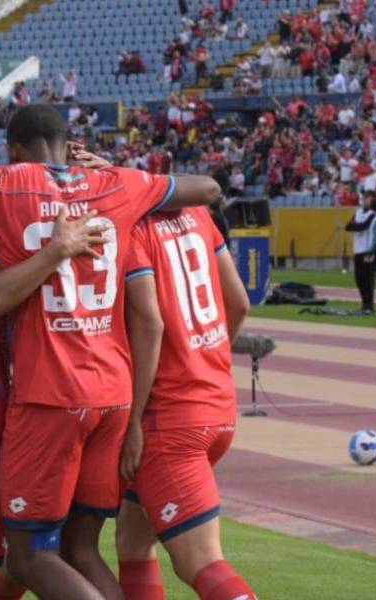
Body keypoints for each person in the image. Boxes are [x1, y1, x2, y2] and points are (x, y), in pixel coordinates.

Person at [0, 105, 221, 600]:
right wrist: (110, 169)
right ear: (69, 141)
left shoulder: (4, 185)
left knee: (28, 556)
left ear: (14, 149)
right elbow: (208, 188)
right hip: (113, 396)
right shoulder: (118, 183)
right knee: (80, 549)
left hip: (50, 394)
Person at [115, 205, 253, 600]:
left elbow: (150, 323)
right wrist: (205, 359)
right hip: (216, 404)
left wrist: (134, 419)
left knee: (200, 562)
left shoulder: (130, 224)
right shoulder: (196, 213)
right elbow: (239, 302)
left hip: (169, 418)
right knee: (132, 541)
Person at [345, 193, 376, 312]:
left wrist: (355, 225)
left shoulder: (373, 214)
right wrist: (356, 225)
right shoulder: (358, 212)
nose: (365, 201)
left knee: (367, 279)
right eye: (364, 199)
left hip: (367, 250)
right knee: (359, 278)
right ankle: (364, 303)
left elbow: (363, 226)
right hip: (357, 249)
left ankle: (369, 305)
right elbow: (348, 226)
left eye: (368, 199)